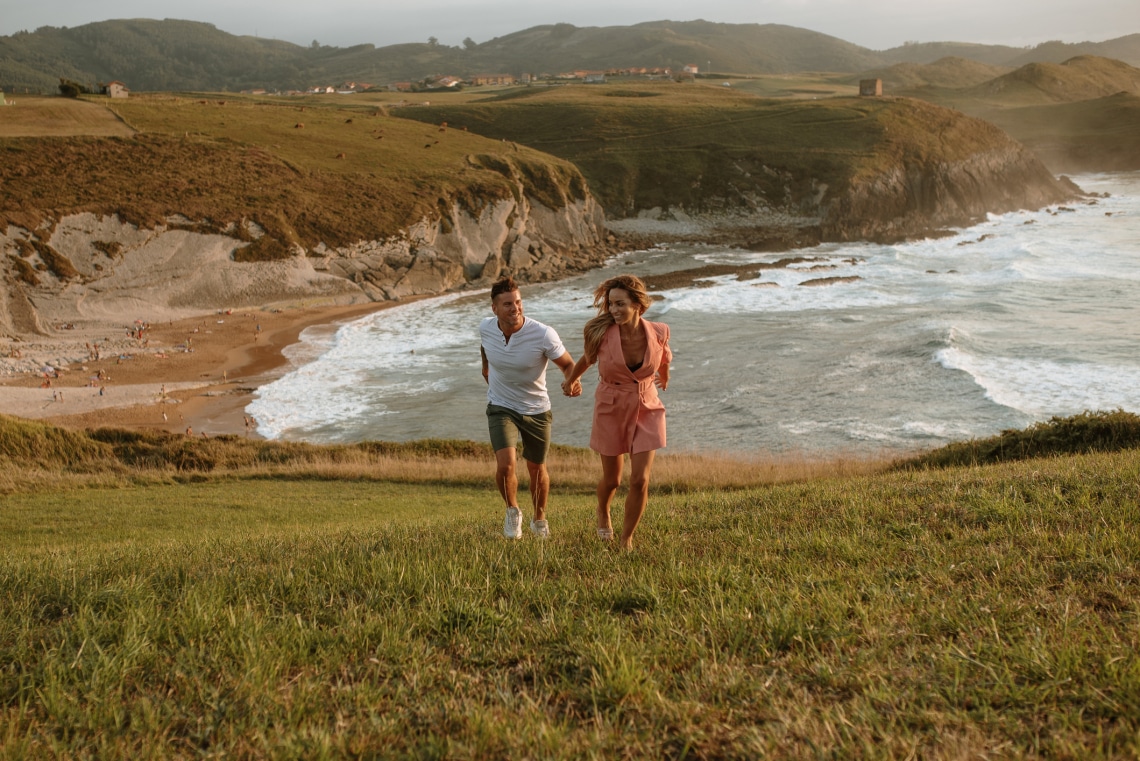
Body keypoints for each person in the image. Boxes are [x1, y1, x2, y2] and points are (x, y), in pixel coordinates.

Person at [562, 275, 672, 551]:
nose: (613, 310)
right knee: (613, 480)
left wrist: (664, 377)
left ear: (638, 305)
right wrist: (570, 381)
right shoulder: (601, 333)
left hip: (647, 405)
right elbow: (587, 359)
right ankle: (603, 510)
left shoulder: (659, 331)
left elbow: (665, 356)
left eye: (620, 304)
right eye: (610, 304)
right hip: (610, 406)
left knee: (640, 479)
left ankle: (626, 539)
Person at [480, 276, 581, 539]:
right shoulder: (486, 327)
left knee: (537, 468)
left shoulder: (543, 334)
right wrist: (485, 367)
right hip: (501, 406)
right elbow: (485, 346)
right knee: (506, 465)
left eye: (518, 302)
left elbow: (569, 365)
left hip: (536, 409)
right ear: (494, 309)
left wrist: (572, 382)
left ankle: (539, 519)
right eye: (507, 304)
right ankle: (513, 512)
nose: (515, 309)